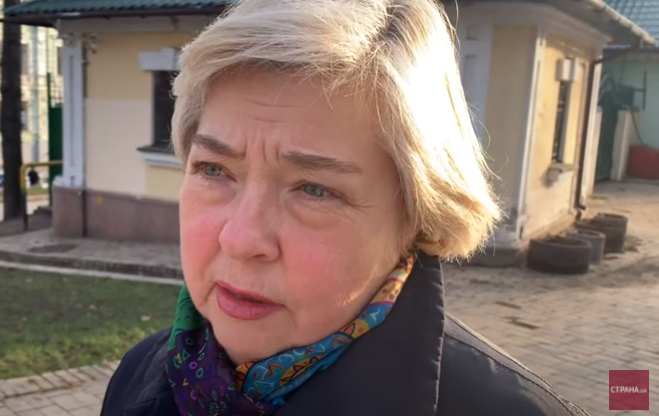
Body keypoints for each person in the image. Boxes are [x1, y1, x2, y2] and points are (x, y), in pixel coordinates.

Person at [100, 0, 591, 415]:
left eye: (314, 189)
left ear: (416, 215)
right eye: (214, 170)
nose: (241, 239)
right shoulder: (138, 374)